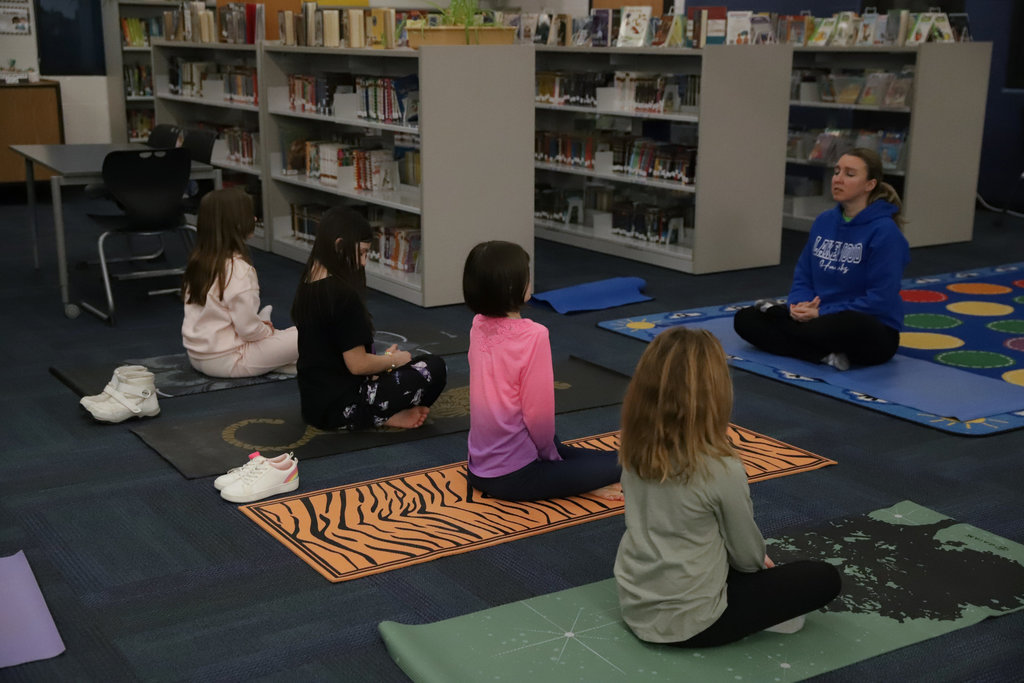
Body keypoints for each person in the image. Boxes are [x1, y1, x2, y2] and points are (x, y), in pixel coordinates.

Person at [614, 327, 841, 647]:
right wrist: (760, 564)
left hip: (637, 601)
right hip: (692, 622)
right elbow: (747, 557)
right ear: (714, 392)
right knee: (823, 578)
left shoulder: (634, 445)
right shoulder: (720, 467)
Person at [462, 240, 622, 501]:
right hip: (515, 476)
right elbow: (538, 416)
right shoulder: (533, 336)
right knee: (629, 466)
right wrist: (553, 461)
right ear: (513, 286)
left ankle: (574, 480)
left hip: (478, 468)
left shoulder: (477, 324)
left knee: (607, 461)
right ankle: (573, 483)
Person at [733, 147, 910, 371]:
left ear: (870, 185)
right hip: (816, 318)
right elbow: (804, 274)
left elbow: (880, 299)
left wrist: (821, 313)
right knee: (745, 319)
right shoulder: (824, 221)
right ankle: (823, 354)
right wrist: (798, 305)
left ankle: (788, 326)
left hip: (867, 328)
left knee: (844, 324)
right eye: (837, 172)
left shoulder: (885, 232)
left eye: (849, 174)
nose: (838, 179)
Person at [291, 207, 446, 430]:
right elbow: (358, 365)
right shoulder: (342, 294)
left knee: (399, 365)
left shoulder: (309, 280)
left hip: (315, 405)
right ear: (338, 245)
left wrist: (381, 364)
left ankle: (380, 412)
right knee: (433, 367)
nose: (364, 262)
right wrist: (394, 361)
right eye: (362, 253)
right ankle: (379, 416)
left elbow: (334, 353)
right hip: (343, 407)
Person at [182, 187, 298, 378]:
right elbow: (247, 330)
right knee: (308, 334)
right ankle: (279, 358)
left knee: (266, 329)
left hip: (197, 357)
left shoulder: (199, 261)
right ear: (235, 225)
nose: (254, 219)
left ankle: (276, 357)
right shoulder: (239, 269)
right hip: (231, 360)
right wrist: (268, 333)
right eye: (249, 215)